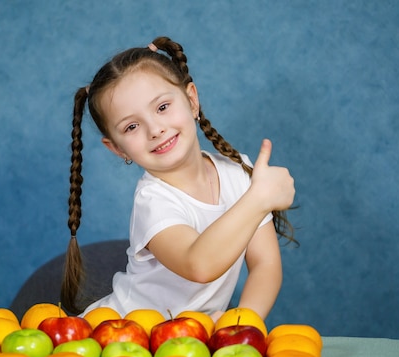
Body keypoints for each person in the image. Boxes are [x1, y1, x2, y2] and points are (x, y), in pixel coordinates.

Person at [61, 36, 296, 322]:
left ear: (192, 100)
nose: (156, 129)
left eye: (162, 107)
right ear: (118, 148)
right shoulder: (153, 201)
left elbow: (265, 264)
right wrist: (259, 199)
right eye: (132, 126)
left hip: (182, 345)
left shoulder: (239, 172)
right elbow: (198, 264)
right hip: (121, 339)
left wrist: (242, 323)